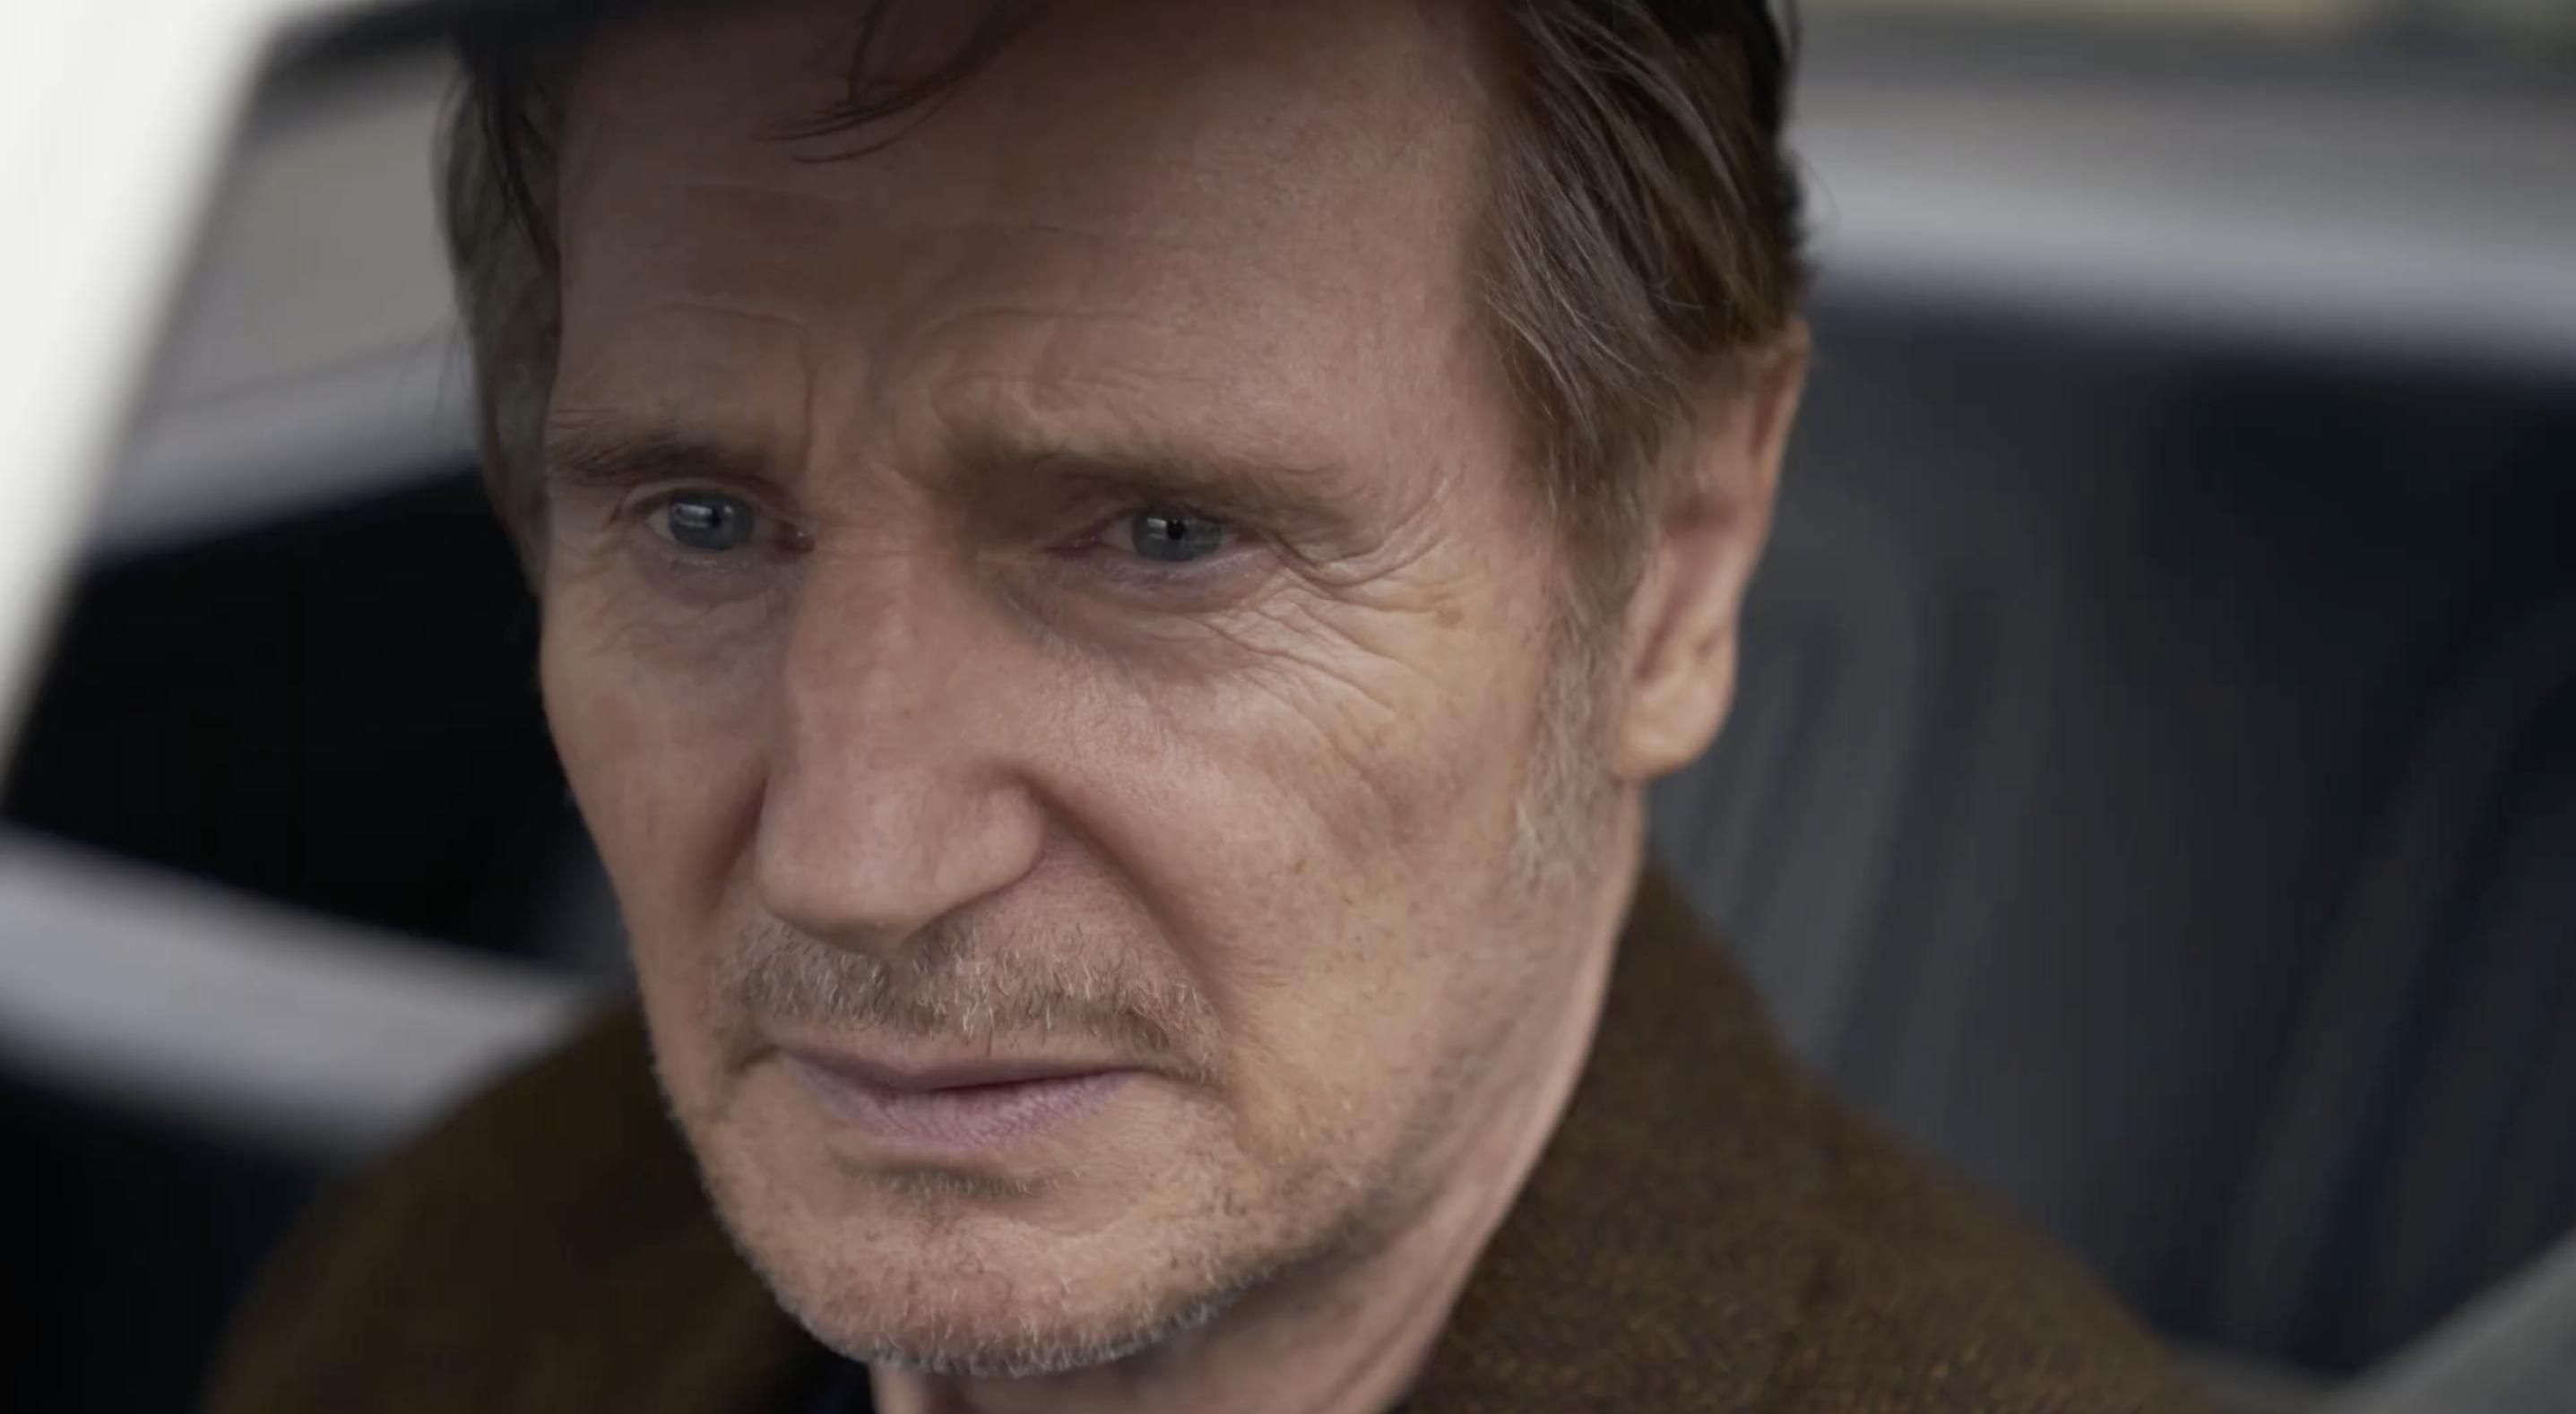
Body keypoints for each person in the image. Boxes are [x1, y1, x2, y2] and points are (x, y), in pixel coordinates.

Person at [210, 1, 2206, 1410]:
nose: (857, 858)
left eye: (1165, 540)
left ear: (1673, 573)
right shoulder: (466, 1261)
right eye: (706, 524)